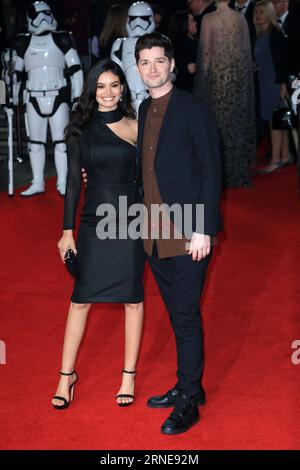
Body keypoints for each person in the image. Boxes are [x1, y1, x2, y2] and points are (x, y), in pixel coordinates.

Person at [135, 32, 222, 434]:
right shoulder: (142, 107)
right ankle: (192, 385)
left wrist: (203, 229)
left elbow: (210, 171)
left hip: (188, 234)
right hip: (152, 234)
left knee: (185, 316)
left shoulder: (193, 108)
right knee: (176, 314)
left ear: (171, 64)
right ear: (138, 68)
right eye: (144, 62)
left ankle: (188, 398)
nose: (152, 68)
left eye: (158, 60)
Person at [51, 59, 145, 410]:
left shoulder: (138, 127)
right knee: (81, 299)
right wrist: (67, 231)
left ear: (123, 89)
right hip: (94, 223)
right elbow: (74, 182)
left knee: (133, 299)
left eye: (114, 85)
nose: (107, 93)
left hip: (131, 221)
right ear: (92, 89)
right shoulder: (80, 130)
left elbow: (149, 176)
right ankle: (66, 375)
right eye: (101, 86)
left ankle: (128, 376)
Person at [194, 0, 256, 187]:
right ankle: (237, 173)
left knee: (218, 128)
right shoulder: (240, 19)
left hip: (216, 84)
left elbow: (206, 55)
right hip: (237, 82)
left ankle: (219, 174)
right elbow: (246, 54)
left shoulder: (209, 19)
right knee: (235, 126)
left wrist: (201, 83)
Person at [254, 0, 291, 173]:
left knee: (275, 122)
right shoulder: (262, 34)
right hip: (266, 81)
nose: (258, 15)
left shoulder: (274, 33)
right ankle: (285, 156)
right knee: (280, 121)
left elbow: (282, 61)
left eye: (261, 12)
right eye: (256, 12)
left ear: (268, 13)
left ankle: (276, 160)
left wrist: (283, 84)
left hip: (275, 83)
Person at [168, 10, 198, 92]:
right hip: (187, 90)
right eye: (192, 21)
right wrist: (187, 68)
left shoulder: (195, 41)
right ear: (184, 24)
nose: (195, 23)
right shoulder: (180, 45)